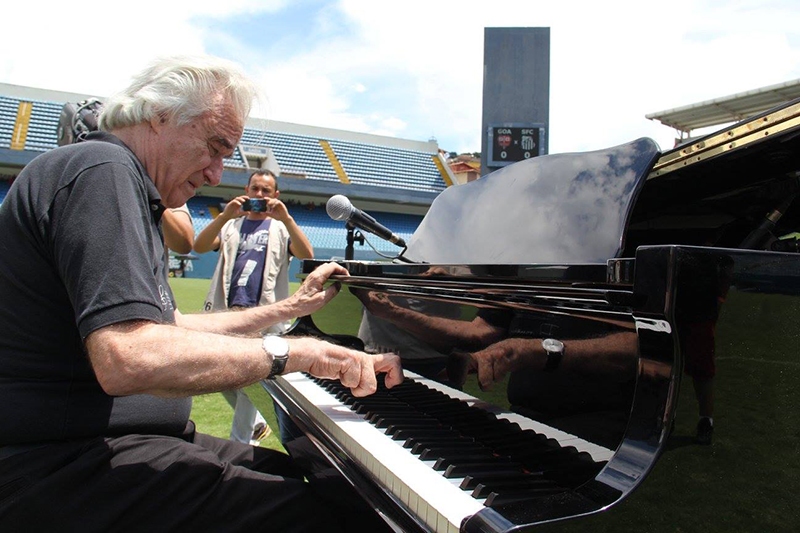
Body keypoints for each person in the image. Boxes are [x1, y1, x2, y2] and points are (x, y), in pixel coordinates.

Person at [0, 55, 402, 532]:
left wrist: (291, 309)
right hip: (56, 464)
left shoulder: (124, 180)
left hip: (107, 443)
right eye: (214, 147)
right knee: (331, 515)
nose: (216, 174)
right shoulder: (102, 168)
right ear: (159, 115)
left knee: (327, 482)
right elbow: (130, 354)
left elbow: (166, 327)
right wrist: (297, 353)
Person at [194, 170, 313, 445]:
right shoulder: (230, 226)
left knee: (249, 380)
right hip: (228, 313)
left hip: (264, 315)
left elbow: (307, 255)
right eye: (255, 189)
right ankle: (258, 424)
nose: (259, 195)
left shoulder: (281, 229)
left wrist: (288, 218)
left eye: (266, 191)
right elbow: (199, 246)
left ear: (276, 196)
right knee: (218, 373)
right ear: (246, 190)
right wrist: (224, 216)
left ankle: (242, 443)